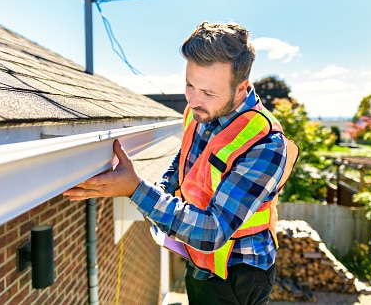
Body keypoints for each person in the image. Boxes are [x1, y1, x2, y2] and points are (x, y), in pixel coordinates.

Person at [63, 21, 298, 305]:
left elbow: (212, 231)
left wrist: (135, 190)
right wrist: (163, 186)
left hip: (237, 273)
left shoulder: (266, 145)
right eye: (189, 84)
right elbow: (185, 157)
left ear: (241, 89)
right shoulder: (198, 110)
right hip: (198, 259)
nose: (194, 100)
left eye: (209, 92)